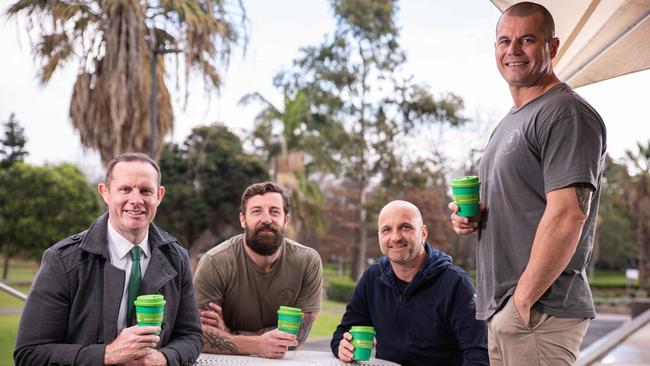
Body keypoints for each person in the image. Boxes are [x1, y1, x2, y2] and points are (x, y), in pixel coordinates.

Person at [449, 2, 607, 365]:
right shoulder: (510, 121)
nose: (513, 50)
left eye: (527, 40)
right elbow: (515, 201)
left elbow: (569, 215)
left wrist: (522, 301)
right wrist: (469, 216)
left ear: (552, 47)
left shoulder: (565, 113)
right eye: (504, 41)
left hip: (538, 311)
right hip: (504, 312)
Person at [14, 152, 203, 366]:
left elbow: (191, 336)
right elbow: (29, 354)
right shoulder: (62, 260)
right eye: (125, 189)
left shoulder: (176, 257)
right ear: (105, 193)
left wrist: (164, 358)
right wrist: (107, 354)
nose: (136, 200)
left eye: (145, 191)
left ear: (158, 196)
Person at [332, 200, 489, 365]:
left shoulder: (457, 284)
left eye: (405, 227)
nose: (395, 237)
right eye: (386, 230)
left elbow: (478, 355)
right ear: (379, 236)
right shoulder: (372, 278)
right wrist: (342, 347)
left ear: (423, 233)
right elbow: (343, 333)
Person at [193, 181, 323, 359]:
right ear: (243, 219)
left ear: (286, 220)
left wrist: (230, 334)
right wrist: (257, 344)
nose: (266, 219)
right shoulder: (215, 262)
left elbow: (298, 335)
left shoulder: (308, 261)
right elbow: (196, 334)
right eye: (256, 211)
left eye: (274, 211)